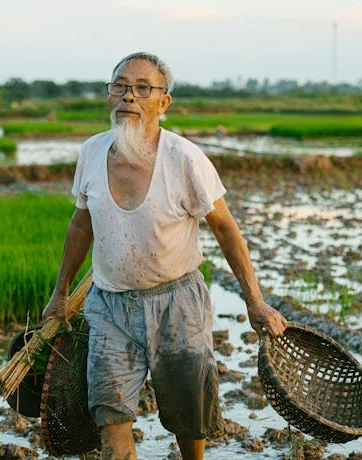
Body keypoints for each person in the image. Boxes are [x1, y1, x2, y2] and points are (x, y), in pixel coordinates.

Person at [42, 52, 287, 460]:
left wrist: (254, 300)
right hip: (109, 305)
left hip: (177, 303)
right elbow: (80, 226)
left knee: (189, 416)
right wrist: (61, 292)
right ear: (109, 95)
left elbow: (225, 228)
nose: (128, 97)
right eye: (119, 86)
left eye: (142, 88)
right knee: (110, 415)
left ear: (164, 102)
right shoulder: (91, 152)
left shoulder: (185, 159)